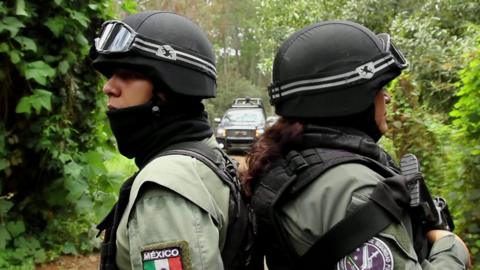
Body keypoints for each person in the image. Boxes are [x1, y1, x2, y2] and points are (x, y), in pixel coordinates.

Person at [243, 20, 471, 269]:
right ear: (349, 98)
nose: (388, 97)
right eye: (380, 87)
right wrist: (451, 248)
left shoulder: (294, 162)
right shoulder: (352, 189)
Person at [90, 11, 254, 270]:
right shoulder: (206, 154)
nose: (108, 87)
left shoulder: (166, 190)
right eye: (109, 75)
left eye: (127, 74)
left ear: (168, 89)